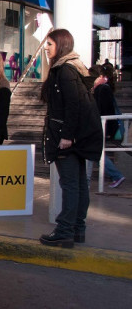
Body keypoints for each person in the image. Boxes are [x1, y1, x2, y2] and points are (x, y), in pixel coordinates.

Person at [39, 28, 103, 248]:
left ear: (61, 45)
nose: (46, 48)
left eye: (49, 44)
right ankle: (77, 229)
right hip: (79, 136)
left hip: (68, 137)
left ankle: (65, 230)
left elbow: (74, 105)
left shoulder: (64, 70)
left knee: (70, 185)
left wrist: (67, 136)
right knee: (78, 185)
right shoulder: (72, 67)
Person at [86, 65, 124, 188]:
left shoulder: (102, 89)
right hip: (99, 126)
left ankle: (115, 175)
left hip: (101, 126)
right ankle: (115, 175)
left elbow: (105, 110)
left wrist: (107, 130)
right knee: (94, 151)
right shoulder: (100, 89)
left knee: (93, 151)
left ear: (100, 77)